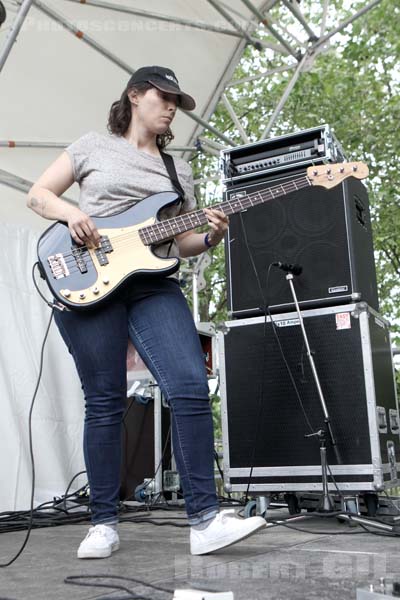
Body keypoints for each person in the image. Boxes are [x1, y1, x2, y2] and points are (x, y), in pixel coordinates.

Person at [27, 66, 266, 559]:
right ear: (135, 96)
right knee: (105, 401)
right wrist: (73, 213)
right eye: (165, 96)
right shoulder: (93, 145)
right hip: (90, 279)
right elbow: (39, 194)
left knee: (189, 384)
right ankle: (102, 522)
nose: (172, 106)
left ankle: (203, 520)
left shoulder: (177, 170)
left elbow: (183, 241)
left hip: (154, 284)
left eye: (178, 101)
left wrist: (213, 234)